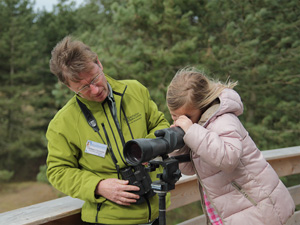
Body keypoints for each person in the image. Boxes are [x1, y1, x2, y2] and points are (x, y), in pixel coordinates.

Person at [46, 36, 170, 225]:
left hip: (156, 212)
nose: (95, 90)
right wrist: (98, 186)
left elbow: (160, 125)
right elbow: (58, 171)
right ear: (68, 87)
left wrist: (146, 149)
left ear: (99, 63)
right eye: (84, 88)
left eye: (95, 78)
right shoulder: (62, 123)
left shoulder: (135, 91)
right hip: (107, 219)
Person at [167, 67, 295, 225]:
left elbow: (229, 159)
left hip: (256, 208)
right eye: (174, 116)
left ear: (203, 105)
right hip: (230, 211)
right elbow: (189, 168)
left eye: (186, 117)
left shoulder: (223, 120)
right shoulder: (197, 129)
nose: (181, 121)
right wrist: (179, 142)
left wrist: (191, 131)